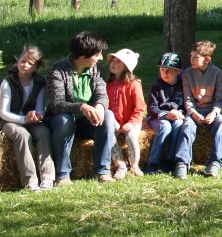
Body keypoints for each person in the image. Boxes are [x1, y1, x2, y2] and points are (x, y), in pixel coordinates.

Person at [46, 31, 116, 185]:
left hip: (86, 123)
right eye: (97, 54)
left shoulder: (96, 70)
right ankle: (62, 175)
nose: (101, 58)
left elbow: (102, 95)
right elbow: (56, 103)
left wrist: (98, 107)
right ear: (84, 55)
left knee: (108, 115)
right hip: (62, 122)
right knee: (66, 120)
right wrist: (82, 107)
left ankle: (102, 171)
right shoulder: (57, 70)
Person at [0, 45, 55, 191]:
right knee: (22, 134)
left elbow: (39, 107)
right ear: (18, 61)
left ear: (36, 67)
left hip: (28, 119)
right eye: (23, 61)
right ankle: (30, 181)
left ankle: (48, 177)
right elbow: (3, 112)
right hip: (9, 120)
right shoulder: (8, 82)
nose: (24, 65)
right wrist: (24, 119)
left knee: (43, 131)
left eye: (30, 63)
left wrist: (36, 116)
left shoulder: (39, 83)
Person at [174, 40, 222, 179]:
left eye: (195, 57)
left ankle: (215, 162)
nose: (191, 59)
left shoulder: (218, 74)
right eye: (191, 56)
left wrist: (214, 112)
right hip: (195, 111)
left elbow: (219, 99)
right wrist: (194, 113)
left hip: (212, 110)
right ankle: (182, 163)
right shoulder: (187, 74)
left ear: (207, 59)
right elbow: (188, 100)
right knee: (186, 127)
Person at [106, 48, 146, 178]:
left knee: (131, 135)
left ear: (126, 67)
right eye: (113, 60)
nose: (113, 63)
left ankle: (135, 165)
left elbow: (140, 107)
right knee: (110, 137)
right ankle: (120, 166)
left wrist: (131, 122)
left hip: (132, 121)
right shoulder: (107, 84)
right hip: (115, 122)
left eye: (118, 61)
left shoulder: (134, 84)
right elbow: (106, 107)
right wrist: (114, 123)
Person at [146, 52, 185, 174]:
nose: (165, 73)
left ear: (178, 71)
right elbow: (152, 108)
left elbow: (186, 105)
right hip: (157, 118)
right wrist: (165, 115)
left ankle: (170, 160)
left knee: (179, 125)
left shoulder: (183, 86)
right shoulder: (156, 86)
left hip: (176, 116)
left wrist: (180, 113)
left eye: (169, 70)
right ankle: (153, 162)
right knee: (165, 126)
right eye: (163, 70)